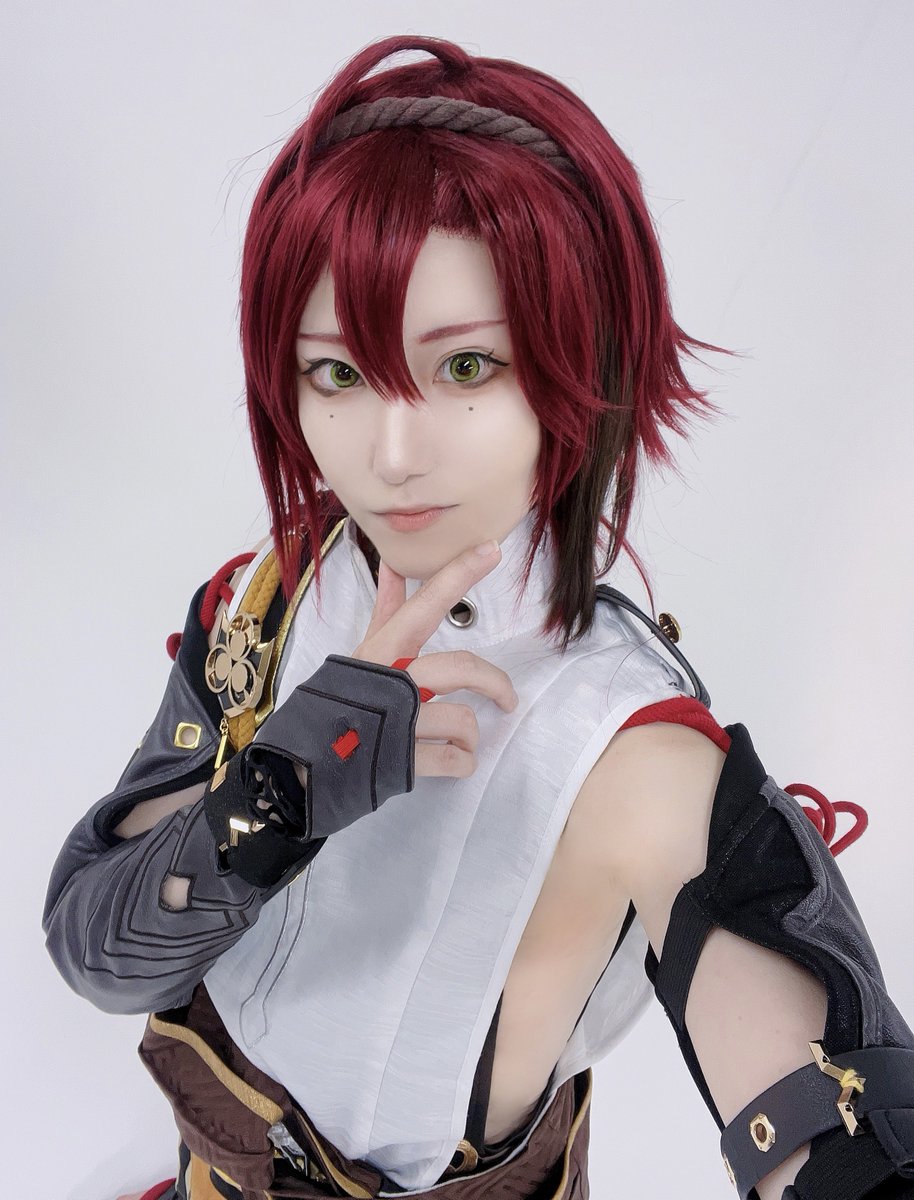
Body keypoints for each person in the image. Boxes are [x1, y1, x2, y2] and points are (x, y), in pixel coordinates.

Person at [42, 33, 914, 1200]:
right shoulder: (269, 599)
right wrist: (277, 795)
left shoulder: (634, 754)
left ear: (584, 356)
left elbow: (840, 1132)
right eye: (337, 374)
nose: (391, 454)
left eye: (463, 370)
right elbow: (95, 956)